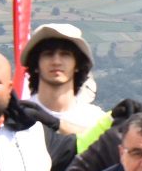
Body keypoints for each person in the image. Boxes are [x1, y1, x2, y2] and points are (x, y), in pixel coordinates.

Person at [23, 22, 113, 155]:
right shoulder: (21, 116)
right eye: (48, 54)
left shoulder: (95, 119)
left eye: (65, 54)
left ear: (77, 64)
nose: (56, 61)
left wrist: (56, 124)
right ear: (36, 64)